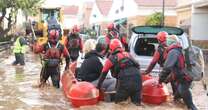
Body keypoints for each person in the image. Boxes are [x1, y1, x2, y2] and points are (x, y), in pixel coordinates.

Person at [97, 39, 142, 105]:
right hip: (138, 78)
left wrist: (98, 86)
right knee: (136, 104)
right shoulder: (128, 54)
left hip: (125, 79)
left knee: (119, 104)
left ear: (111, 49)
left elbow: (103, 73)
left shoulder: (111, 58)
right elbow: (138, 65)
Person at [159, 35, 198, 110]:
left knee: (190, 104)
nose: (166, 43)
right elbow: (174, 70)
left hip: (184, 78)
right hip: (187, 76)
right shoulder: (179, 49)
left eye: (167, 41)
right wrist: (165, 81)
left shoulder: (173, 52)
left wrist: (160, 79)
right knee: (176, 97)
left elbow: (167, 68)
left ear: (170, 42)